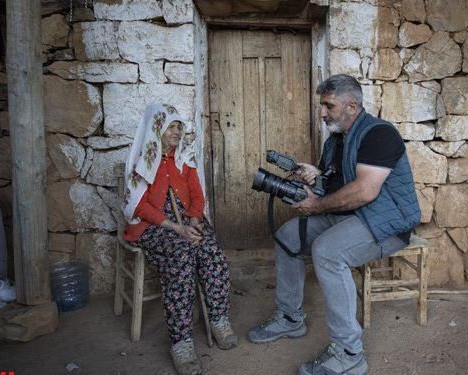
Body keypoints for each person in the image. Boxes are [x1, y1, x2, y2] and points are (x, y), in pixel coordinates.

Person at [247, 75, 421, 375]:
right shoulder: (335, 141)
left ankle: (349, 353)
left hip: (386, 223)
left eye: (329, 106)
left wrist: (315, 205)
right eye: (322, 106)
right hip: (351, 215)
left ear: (352, 106)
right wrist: (315, 178)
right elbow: (335, 186)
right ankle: (290, 318)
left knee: (327, 252)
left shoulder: (380, 134)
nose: (323, 113)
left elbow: (365, 190)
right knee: (288, 235)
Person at [122, 103, 237, 375]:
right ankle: (181, 341)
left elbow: (197, 196)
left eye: (178, 127)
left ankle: (219, 319)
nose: (176, 132)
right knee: (181, 257)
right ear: (156, 130)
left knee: (211, 251)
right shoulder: (143, 161)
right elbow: (138, 207)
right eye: (171, 127)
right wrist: (176, 228)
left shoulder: (184, 159)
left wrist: (195, 222)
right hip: (154, 226)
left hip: (188, 223)